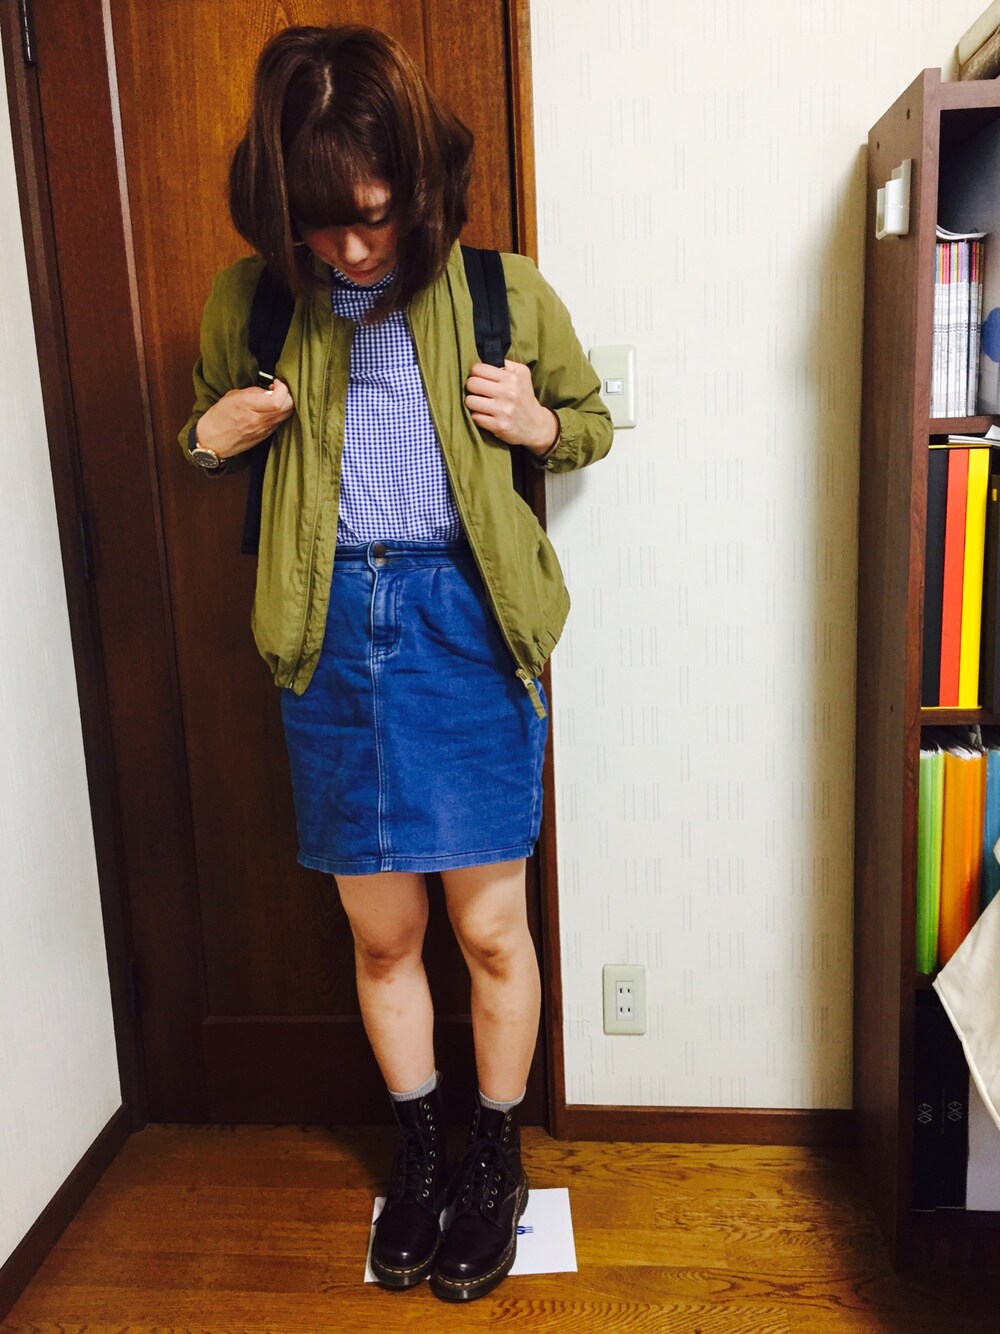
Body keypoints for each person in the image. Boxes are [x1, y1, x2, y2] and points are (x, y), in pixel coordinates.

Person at [179, 24, 612, 1304]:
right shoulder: (251, 302)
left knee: (488, 926)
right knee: (383, 934)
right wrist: (214, 433)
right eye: (320, 224)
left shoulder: (502, 291)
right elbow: (200, 435)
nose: (351, 248)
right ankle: (420, 1156)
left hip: (465, 623)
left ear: (418, 182)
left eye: (370, 215)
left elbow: (588, 422)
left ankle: (496, 1157)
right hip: (329, 630)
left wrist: (540, 421)